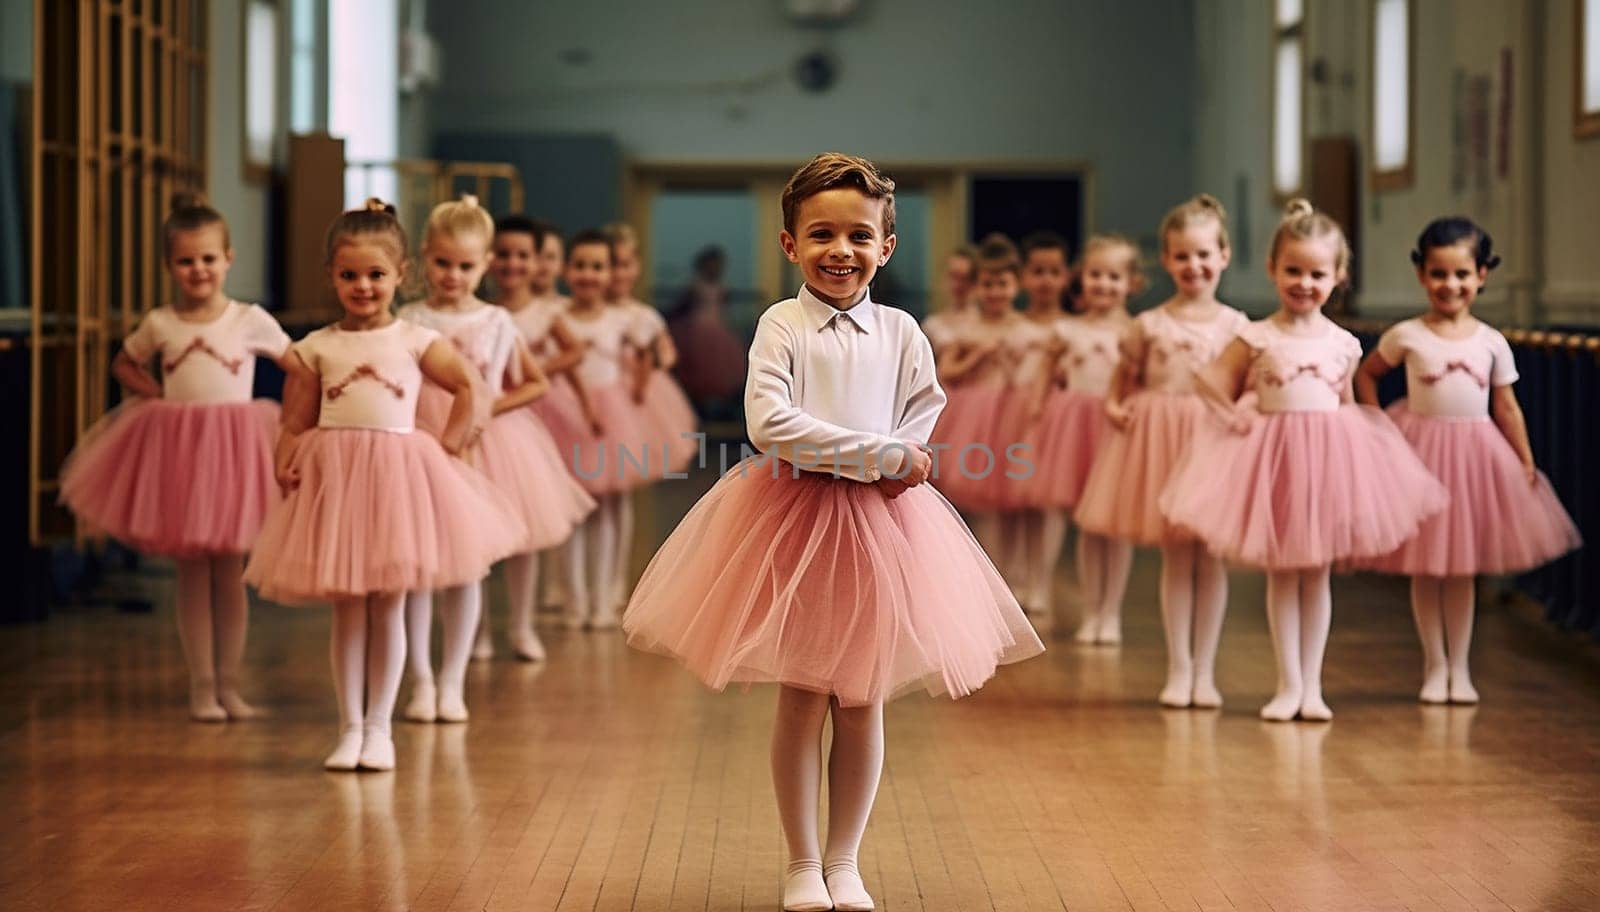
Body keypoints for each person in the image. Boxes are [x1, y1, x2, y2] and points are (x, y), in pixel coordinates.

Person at [622, 153, 1043, 912]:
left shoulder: (903, 329)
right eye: (821, 234)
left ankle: (845, 862)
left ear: (886, 246)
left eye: (858, 235)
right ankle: (801, 862)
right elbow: (770, 423)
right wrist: (878, 452)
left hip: (885, 522)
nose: (839, 250)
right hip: (794, 514)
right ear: (790, 245)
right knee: (801, 694)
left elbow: (924, 406)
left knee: (861, 698)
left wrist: (899, 458)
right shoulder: (780, 323)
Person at [242, 200, 524, 770]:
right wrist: (283, 459)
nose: (363, 286)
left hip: (400, 479)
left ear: (401, 276)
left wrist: (446, 446)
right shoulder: (315, 347)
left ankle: (381, 728)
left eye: (376, 275)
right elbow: (294, 418)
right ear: (331, 276)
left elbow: (470, 387)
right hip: (337, 484)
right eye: (349, 275)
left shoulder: (416, 340)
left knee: (389, 607)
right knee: (348, 609)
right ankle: (349, 727)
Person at [60, 193, 291, 722]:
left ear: (229, 258)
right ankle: (201, 686)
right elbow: (124, 363)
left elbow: (295, 362)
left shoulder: (249, 318)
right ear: (169, 266)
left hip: (236, 450)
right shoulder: (161, 323)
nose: (198, 270)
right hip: (182, 452)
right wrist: (158, 397)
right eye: (186, 261)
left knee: (231, 572)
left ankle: (230, 685)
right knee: (192, 571)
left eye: (208, 259)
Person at [1354, 216, 1581, 704]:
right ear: (1422, 275)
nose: (1450, 285)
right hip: (1419, 456)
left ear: (1481, 276)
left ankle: (1460, 667)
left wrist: (1524, 460)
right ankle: (1434, 666)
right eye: (1439, 274)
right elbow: (1366, 374)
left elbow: (1506, 407)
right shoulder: (1406, 335)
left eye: (1461, 275)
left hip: (1477, 459)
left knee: (1461, 568)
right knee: (1426, 566)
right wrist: (1377, 428)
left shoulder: (1491, 342)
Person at [1075, 194, 1248, 708]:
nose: (1193, 266)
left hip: (1214, 442)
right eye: (1181, 256)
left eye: (1203, 255)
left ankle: (1207, 672)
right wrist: (1114, 407)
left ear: (1223, 255)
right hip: (1163, 440)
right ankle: (1180, 668)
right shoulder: (1148, 324)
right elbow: (1121, 380)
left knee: (1210, 560)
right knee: (1177, 558)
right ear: (1167, 261)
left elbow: (1246, 385)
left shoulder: (1238, 325)